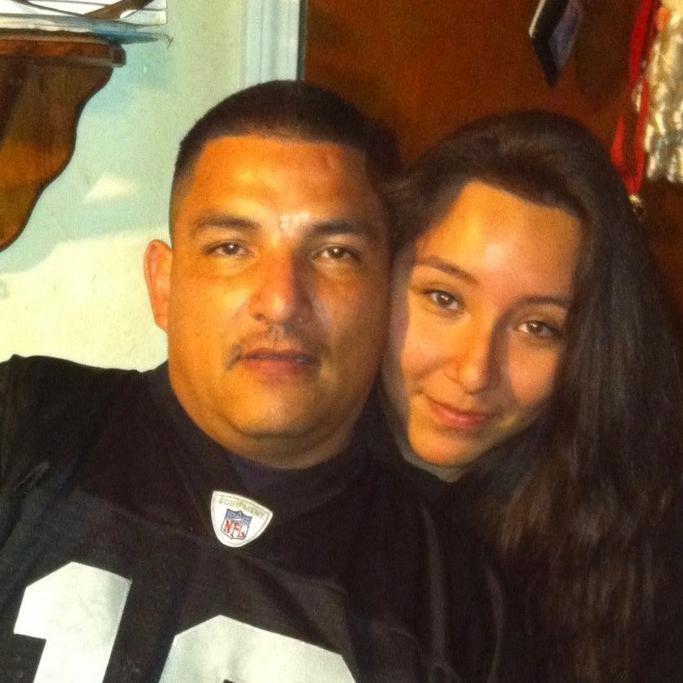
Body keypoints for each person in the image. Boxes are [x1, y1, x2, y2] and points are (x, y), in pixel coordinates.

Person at [0, 81, 513, 682]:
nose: (281, 301)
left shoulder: (458, 602)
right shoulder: (26, 424)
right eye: (231, 247)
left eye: (335, 253)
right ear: (163, 286)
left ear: (387, 297)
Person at [379, 111, 683, 682]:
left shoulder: (639, 545)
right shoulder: (289, 479)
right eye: (444, 298)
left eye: (538, 328)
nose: (475, 372)